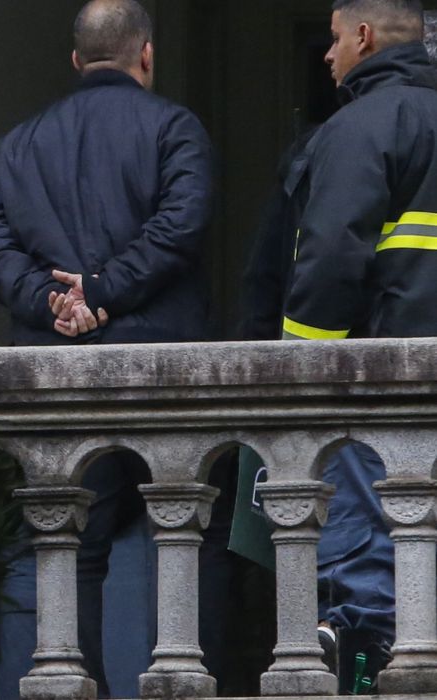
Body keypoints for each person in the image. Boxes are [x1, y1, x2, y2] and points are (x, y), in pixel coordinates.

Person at [0, 1, 219, 696]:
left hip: (55, 374)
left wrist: (55, 302)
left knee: (52, 540)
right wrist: (101, 292)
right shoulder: (175, 129)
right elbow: (181, 226)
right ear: (146, 56)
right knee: (173, 532)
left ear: (76, 61)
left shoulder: (17, 144)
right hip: (161, 371)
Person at [280, 0, 437, 688]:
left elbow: (330, 259)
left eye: (336, 38)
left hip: (379, 383)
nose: (328, 53)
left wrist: (298, 366)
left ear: (365, 37)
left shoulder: (362, 126)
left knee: (369, 585)